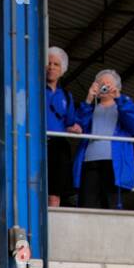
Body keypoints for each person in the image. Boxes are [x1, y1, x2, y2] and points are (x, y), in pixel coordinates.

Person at [71, 69, 134, 210]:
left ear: (117, 87)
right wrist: (88, 99)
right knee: (87, 203)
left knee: (110, 203)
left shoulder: (123, 106)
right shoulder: (90, 109)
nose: (104, 87)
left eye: (108, 84)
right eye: (101, 84)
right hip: (89, 160)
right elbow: (77, 124)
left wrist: (119, 97)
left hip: (114, 162)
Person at [46, 46, 83, 206]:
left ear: (62, 70)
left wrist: (75, 128)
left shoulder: (67, 96)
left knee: (55, 193)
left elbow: (69, 122)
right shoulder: (33, 90)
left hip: (58, 145)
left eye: (56, 64)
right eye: (48, 63)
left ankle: (52, 223)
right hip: (35, 143)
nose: (52, 67)